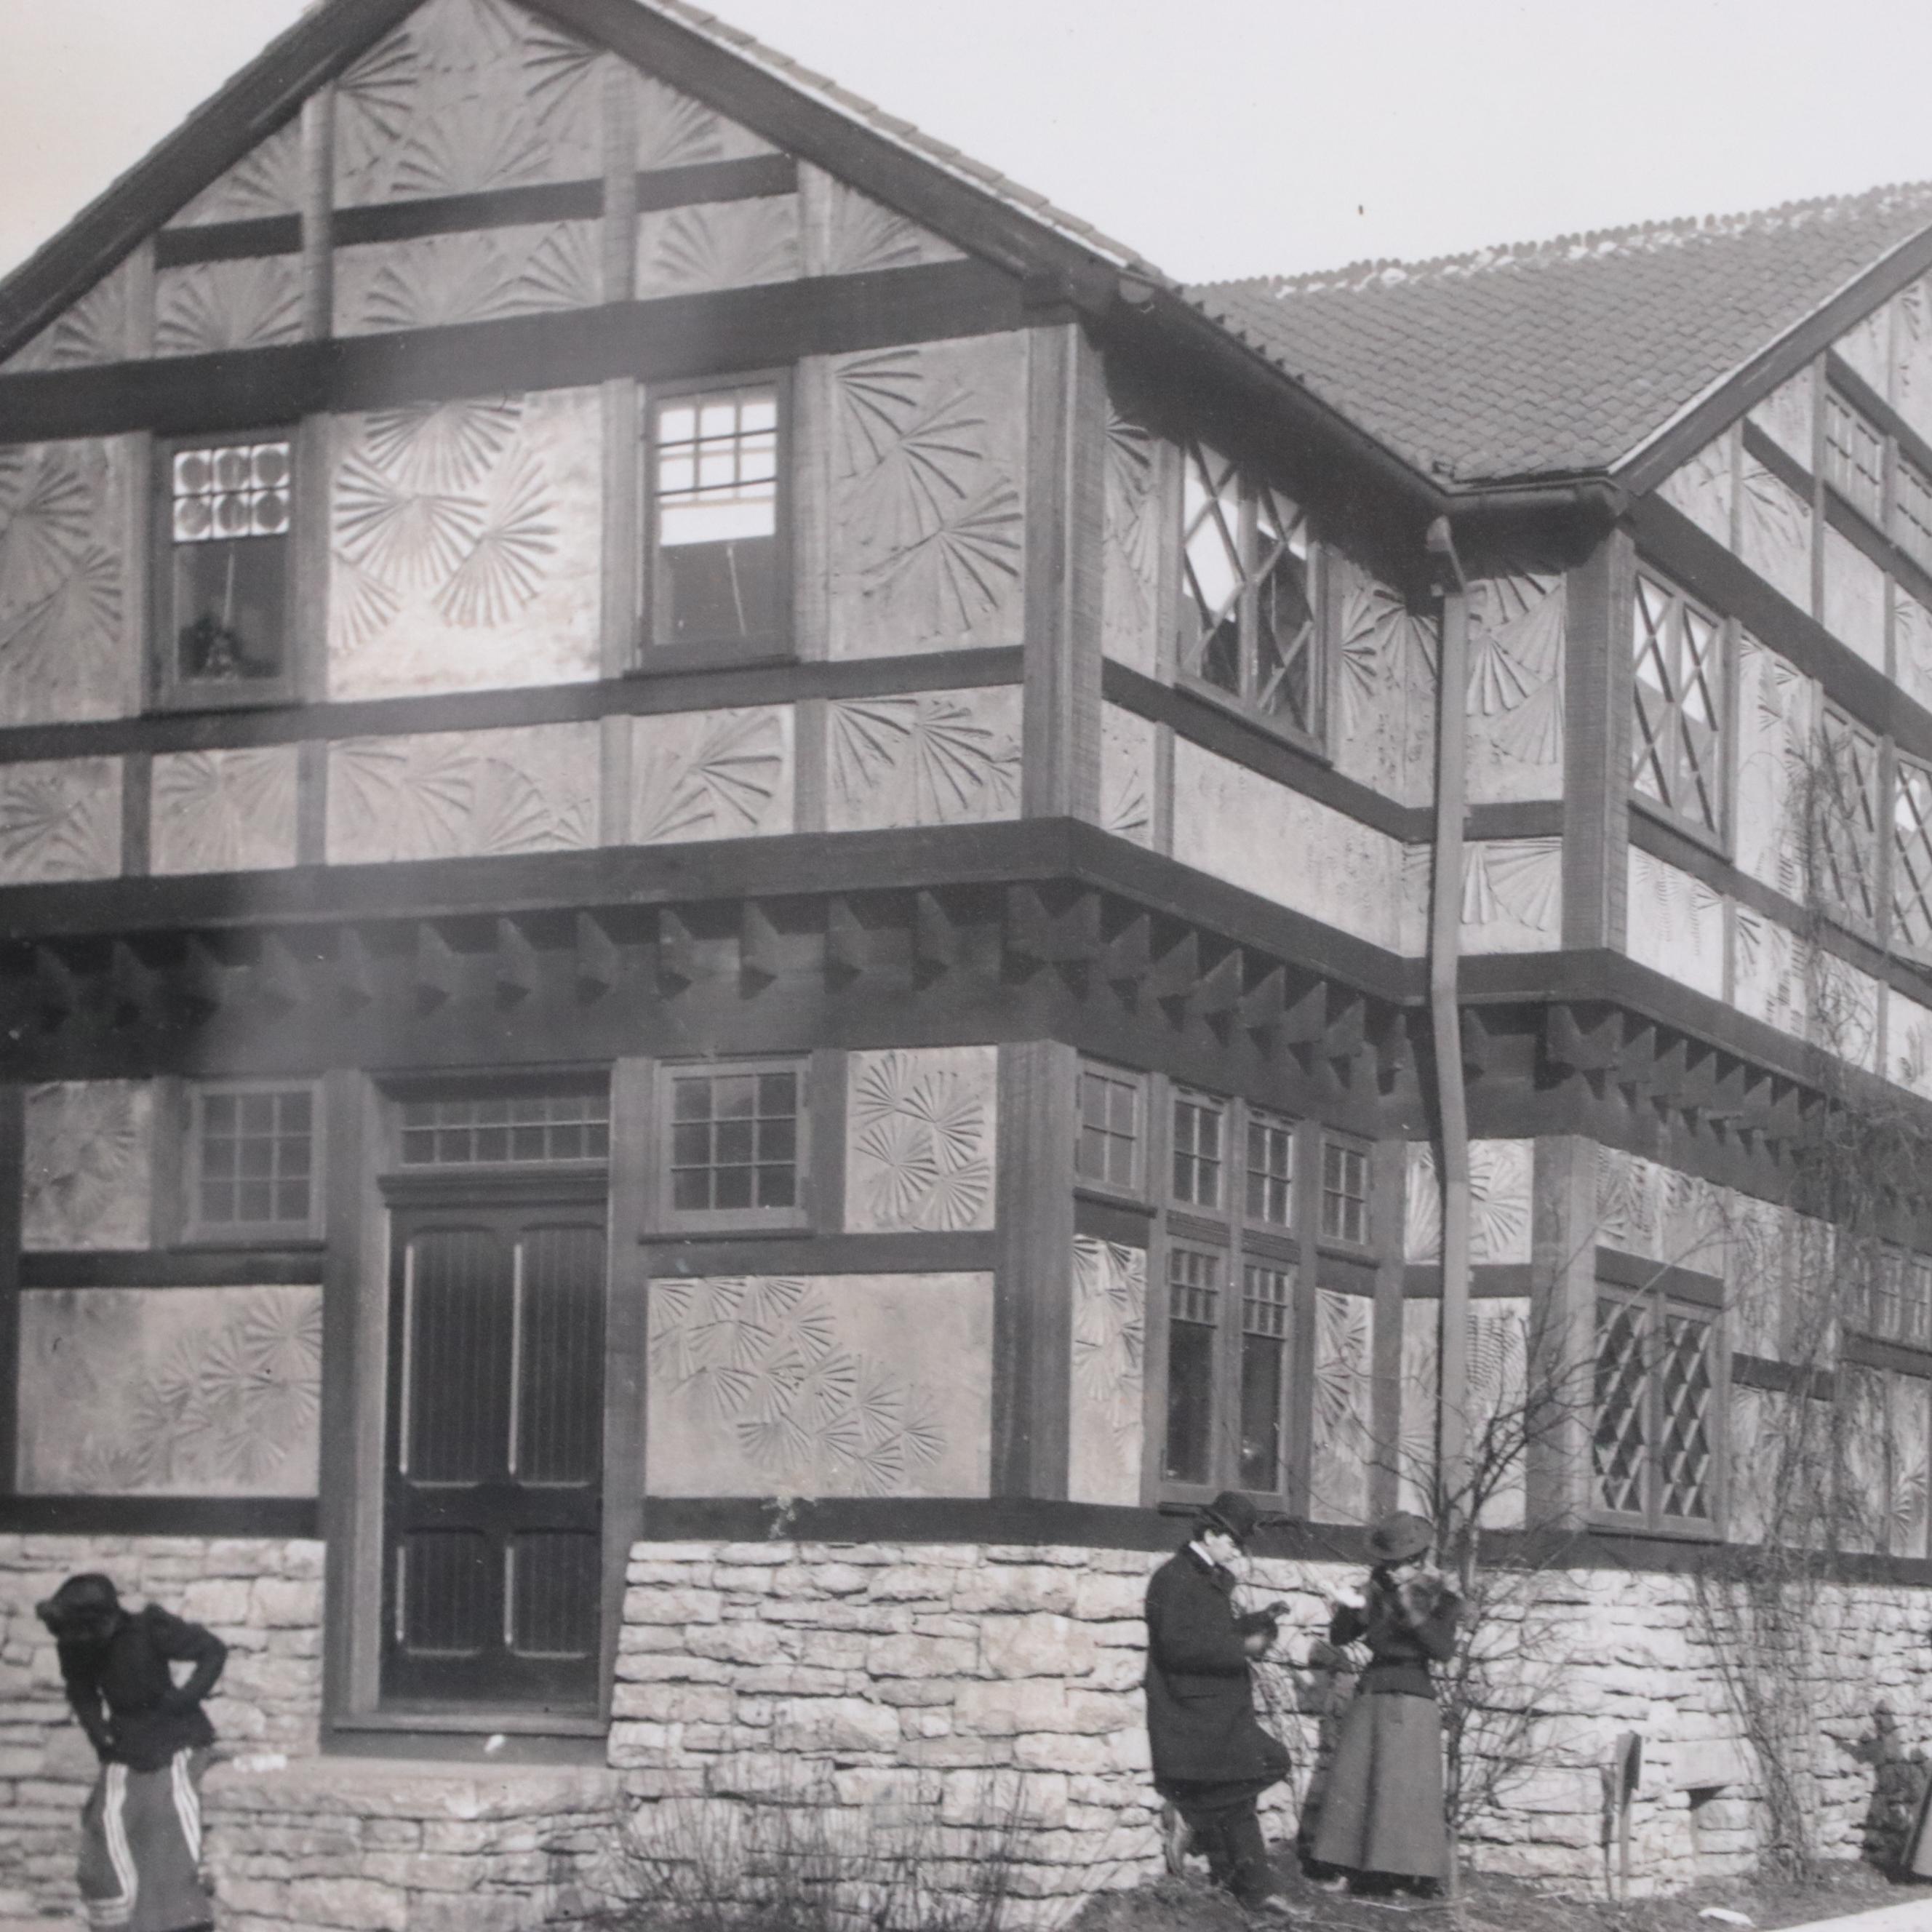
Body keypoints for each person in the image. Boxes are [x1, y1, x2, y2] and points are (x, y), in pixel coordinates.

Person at [36, 1572, 228, 1932]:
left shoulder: (148, 1629)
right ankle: (121, 1922)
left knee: (164, 1813)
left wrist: (185, 1697)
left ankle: (177, 1921)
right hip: (125, 1744)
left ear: (107, 1618)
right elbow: (81, 1691)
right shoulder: (78, 1643)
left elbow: (212, 1650)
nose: (81, 1639)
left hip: (176, 1738)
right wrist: (99, 1732)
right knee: (107, 1821)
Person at [1143, 1490, 1296, 1920]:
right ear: (1209, 1534)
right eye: (1232, 1540)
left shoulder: (1203, 1575)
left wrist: (1260, 1622)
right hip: (1192, 1714)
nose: (1237, 1549)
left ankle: (1198, 1825)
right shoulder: (1173, 1578)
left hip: (1217, 1710)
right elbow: (1177, 1648)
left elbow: (1211, 1632)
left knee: (1255, 1775)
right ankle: (1254, 1890)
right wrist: (1241, 1648)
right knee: (1254, 1775)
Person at [1309, 1510, 1461, 1897]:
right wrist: (1350, 1605)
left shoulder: (1440, 1594)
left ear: (1418, 1561)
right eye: (1386, 1564)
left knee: (1407, 1789)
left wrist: (1407, 1602)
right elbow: (1342, 1637)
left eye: (1398, 1566)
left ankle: (1408, 1874)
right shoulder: (1377, 1587)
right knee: (1355, 1781)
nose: (1389, 1572)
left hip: (1413, 1695)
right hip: (1373, 1690)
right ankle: (1346, 1868)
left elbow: (1441, 1649)